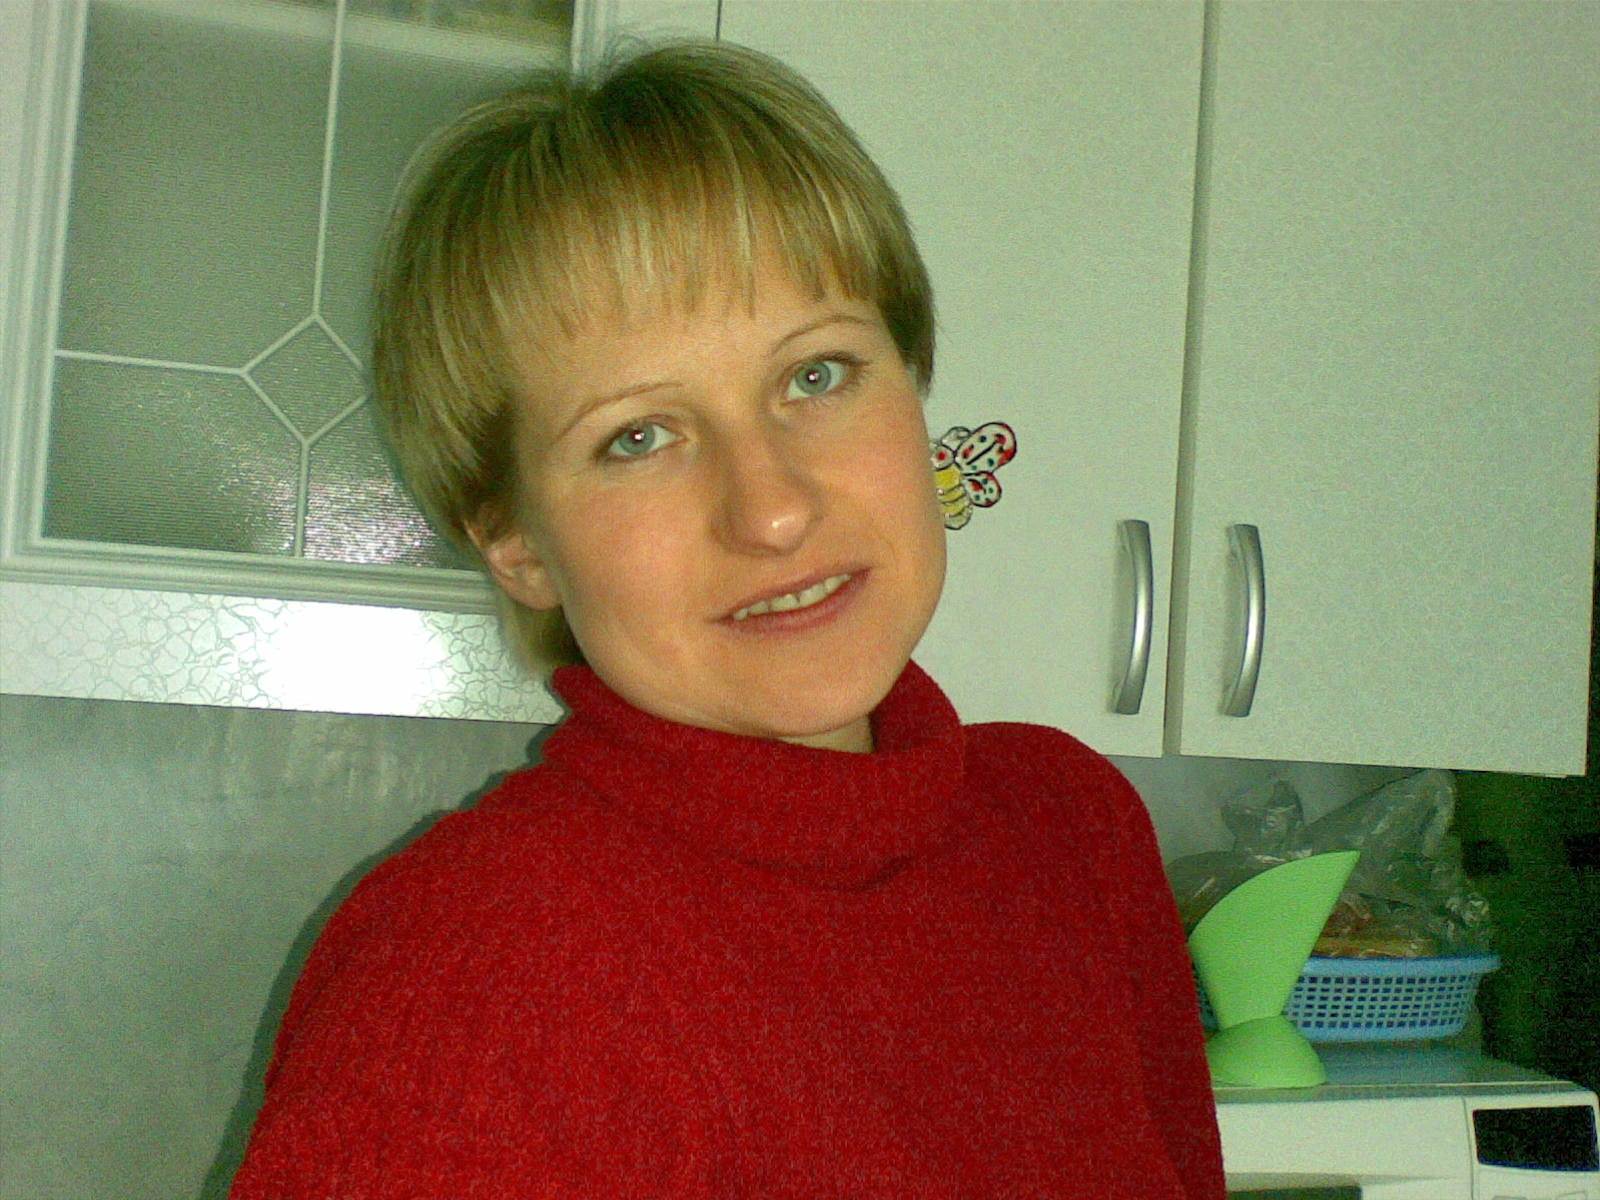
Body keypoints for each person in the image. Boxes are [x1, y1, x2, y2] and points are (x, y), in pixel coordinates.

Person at [229, 39, 1225, 1198]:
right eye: (638, 436)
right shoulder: (478, 969)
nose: (772, 509)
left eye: (816, 375)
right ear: (516, 544)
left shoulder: (1070, 833)